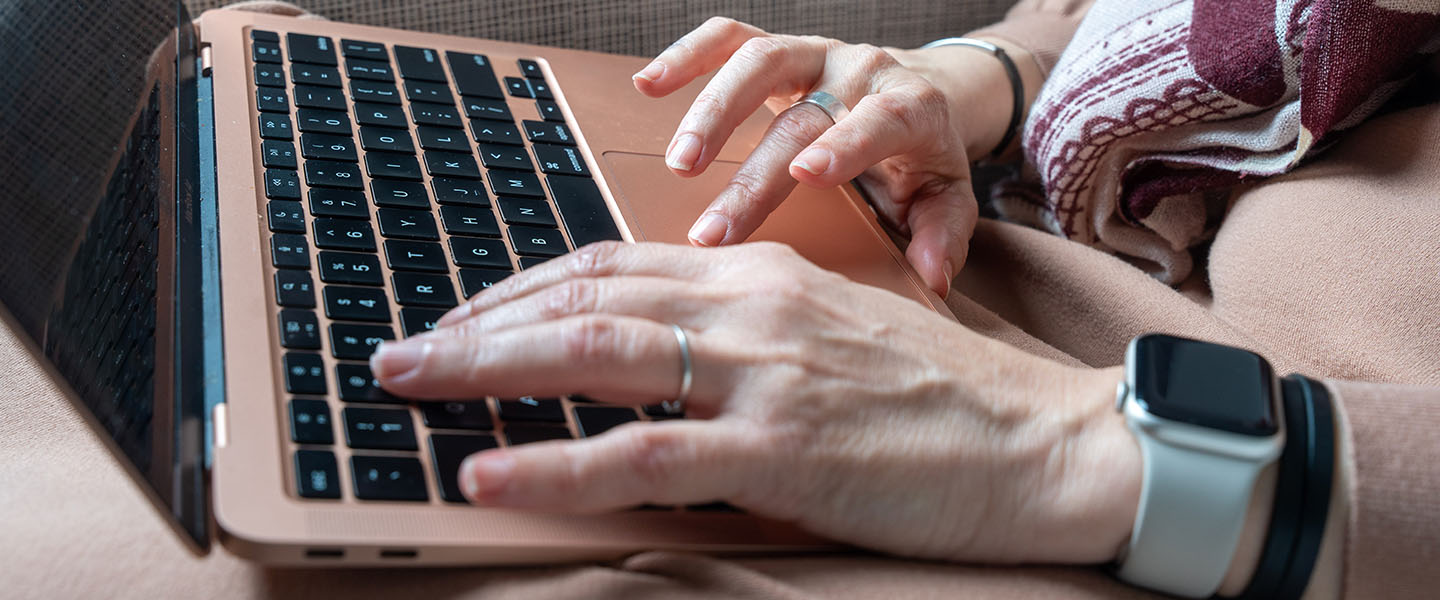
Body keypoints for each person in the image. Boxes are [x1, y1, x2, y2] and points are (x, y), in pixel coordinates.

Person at [370, 0, 1440, 597]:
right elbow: (1072, 20)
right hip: (977, 244)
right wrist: (959, 82)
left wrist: (1058, 442)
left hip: (1252, 498)